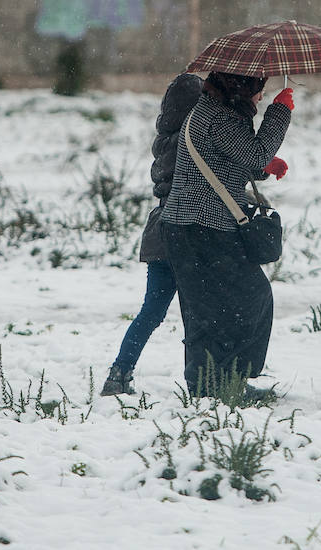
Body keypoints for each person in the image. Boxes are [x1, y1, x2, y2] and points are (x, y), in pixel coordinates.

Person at [160, 71, 293, 398]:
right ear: (241, 88)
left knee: (209, 308)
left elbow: (232, 156)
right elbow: (255, 151)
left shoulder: (218, 112)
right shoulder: (219, 117)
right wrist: (280, 111)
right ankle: (220, 384)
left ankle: (214, 383)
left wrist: (265, 167)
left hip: (192, 225)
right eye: (259, 91)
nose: (260, 97)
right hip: (200, 226)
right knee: (248, 298)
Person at [101, 73, 204, 396]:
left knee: (151, 311)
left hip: (159, 231)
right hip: (183, 231)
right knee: (199, 313)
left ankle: (119, 373)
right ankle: (204, 380)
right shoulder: (191, 140)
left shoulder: (165, 138)